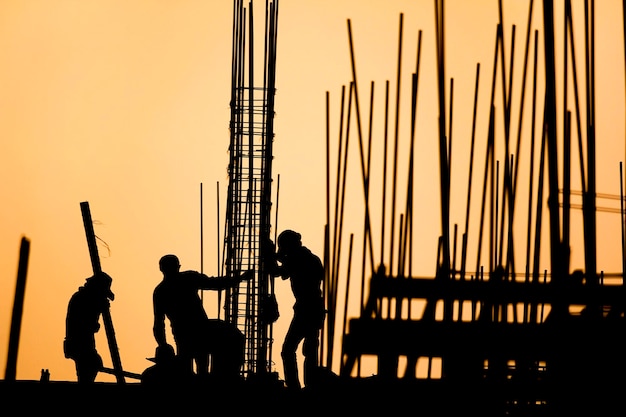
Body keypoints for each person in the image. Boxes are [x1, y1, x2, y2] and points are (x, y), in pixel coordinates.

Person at [152, 254, 252, 381]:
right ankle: (219, 379)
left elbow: (158, 324)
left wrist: (163, 345)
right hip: (199, 331)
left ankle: (208, 382)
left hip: (186, 334)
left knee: (190, 370)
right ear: (178, 267)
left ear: (161, 268)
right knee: (201, 366)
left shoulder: (160, 291)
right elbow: (215, 283)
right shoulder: (187, 279)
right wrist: (240, 278)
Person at [265, 230, 326, 390]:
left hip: (305, 310)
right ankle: (310, 384)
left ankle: (294, 387)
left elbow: (276, 272)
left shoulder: (297, 259)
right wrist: (276, 255)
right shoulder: (311, 258)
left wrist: (269, 255)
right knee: (310, 349)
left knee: (288, 350)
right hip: (315, 308)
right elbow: (287, 261)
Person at [64, 271, 115, 383]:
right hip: (79, 343)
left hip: (82, 343)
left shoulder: (85, 298)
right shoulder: (83, 299)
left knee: (93, 364)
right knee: (91, 364)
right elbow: (85, 323)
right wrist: (100, 309)